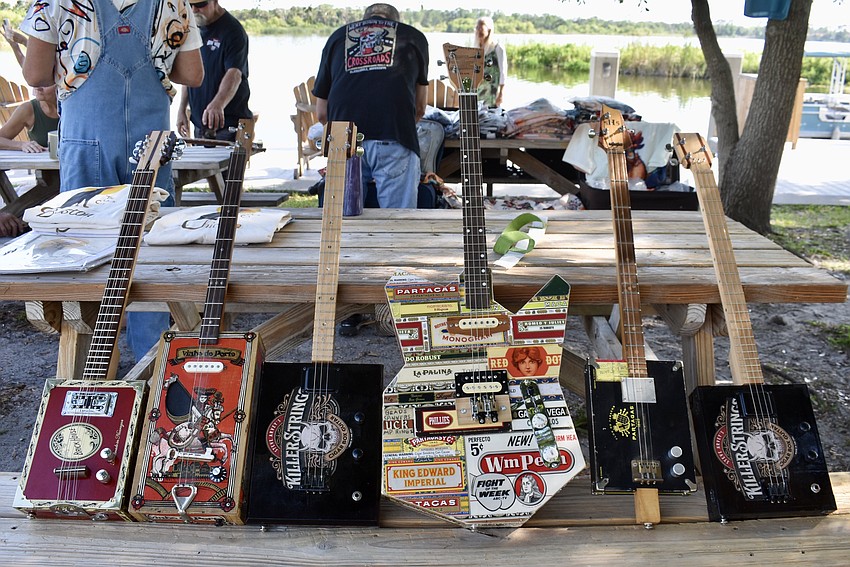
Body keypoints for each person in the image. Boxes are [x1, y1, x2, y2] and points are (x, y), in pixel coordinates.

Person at [20, 0, 204, 361]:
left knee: (79, 253)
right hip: (149, 147)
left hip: (87, 140)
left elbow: (35, 75)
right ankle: (151, 367)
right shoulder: (174, 3)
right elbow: (192, 75)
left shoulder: (57, 2)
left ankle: (88, 366)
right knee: (148, 254)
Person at [313, 3, 428, 210]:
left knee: (344, 224)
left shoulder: (337, 37)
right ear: (395, 21)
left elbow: (321, 112)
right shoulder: (414, 37)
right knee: (397, 224)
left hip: (343, 139)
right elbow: (420, 108)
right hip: (395, 136)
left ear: (364, 20)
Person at [176, 0, 251, 143]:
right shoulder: (192, 29)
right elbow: (189, 72)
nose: (194, 10)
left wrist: (218, 104)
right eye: (189, 5)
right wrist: (181, 109)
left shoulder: (233, 31)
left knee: (227, 166)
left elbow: (234, 74)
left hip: (228, 125)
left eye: (200, 4)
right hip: (199, 124)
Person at [0, 85, 60, 238]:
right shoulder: (29, 109)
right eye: (34, 83)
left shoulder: (73, 107)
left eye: (45, 83)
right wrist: (21, 145)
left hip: (73, 175)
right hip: (49, 178)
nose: (37, 87)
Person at [474, 16, 507, 108]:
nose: (478, 30)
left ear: (489, 29)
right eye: (477, 28)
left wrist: (501, 93)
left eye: (481, 28)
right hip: (478, 90)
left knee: (491, 117)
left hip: (493, 90)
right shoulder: (476, 48)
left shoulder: (497, 47)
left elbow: (503, 72)